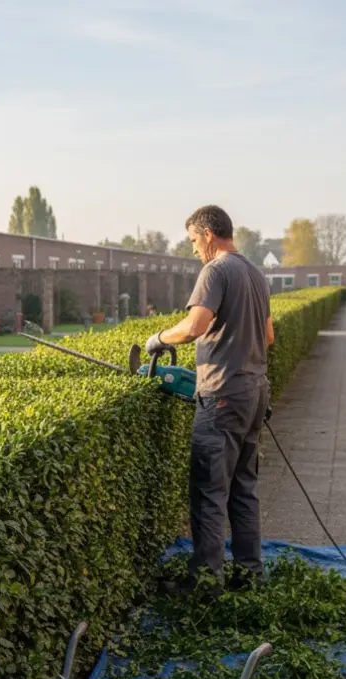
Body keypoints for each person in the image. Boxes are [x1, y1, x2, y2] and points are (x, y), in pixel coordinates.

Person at [144, 205, 274, 592]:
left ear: (208, 234)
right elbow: (267, 338)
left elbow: (195, 326)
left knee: (209, 491)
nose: (193, 249)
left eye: (193, 241)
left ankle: (205, 582)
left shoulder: (215, 271)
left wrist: (159, 338)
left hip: (221, 394)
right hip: (254, 391)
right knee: (243, 487)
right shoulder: (255, 273)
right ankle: (249, 574)